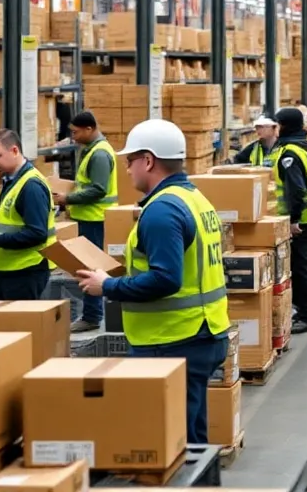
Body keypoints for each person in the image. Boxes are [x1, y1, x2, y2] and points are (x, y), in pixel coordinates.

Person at [74, 119, 230, 447]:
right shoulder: (194, 199)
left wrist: (109, 286)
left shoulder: (162, 211)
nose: (127, 170)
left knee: (173, 443)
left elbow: (166, 279)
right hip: (202, 332)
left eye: (130, 161)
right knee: (192, 439)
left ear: (148, 161)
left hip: (174, 338)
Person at [0, 128, 55, 300]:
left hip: (26, 271)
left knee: (20, 325)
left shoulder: (31, 186)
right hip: (11, 270)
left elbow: (38, 234)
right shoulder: (12, 180)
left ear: (14, 151)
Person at [54, 111, 118, 332]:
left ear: (89, 129)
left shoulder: (99, 154)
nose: (73, 137)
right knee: (85, 267)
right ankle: (91, 314)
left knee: (90, 268)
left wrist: (68, 198)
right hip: (87, 218)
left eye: (75, 132)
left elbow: (98, 189)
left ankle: (92, 316)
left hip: (95, 219)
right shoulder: (90, 150)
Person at [272, 107, 307, 333]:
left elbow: (296, 190)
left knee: (303, 267)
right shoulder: (305, 148)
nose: (275, 129)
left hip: (301, 220)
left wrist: (293, 219)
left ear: (284, 126)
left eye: (277, 124)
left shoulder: (289, 154)